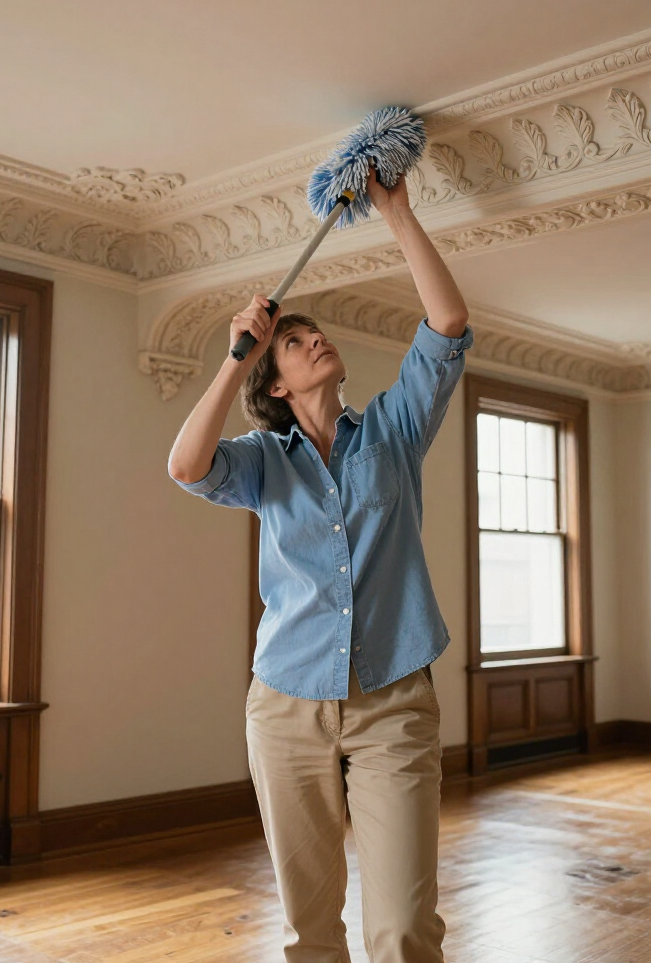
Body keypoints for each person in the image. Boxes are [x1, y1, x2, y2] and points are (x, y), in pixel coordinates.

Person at [167, 165, 473, 963]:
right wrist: (238, 354)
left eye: (314, 335)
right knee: (309, 928)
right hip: (285, 707)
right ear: (274, 381)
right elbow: (186, 466)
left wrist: (397, 215)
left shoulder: (393, 434)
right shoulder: (265, 460)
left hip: (395, 703)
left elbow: (446, 323)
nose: (314, 341)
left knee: (404, 925)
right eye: (296, 343)